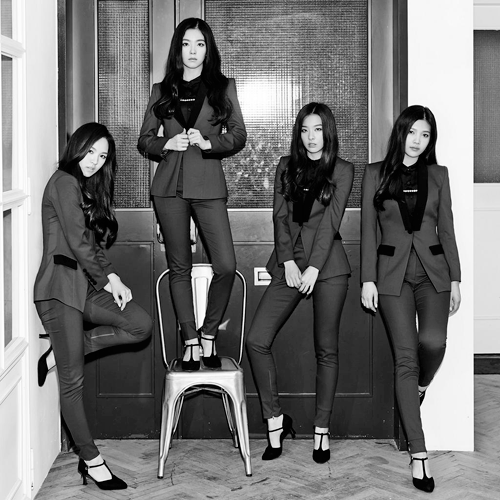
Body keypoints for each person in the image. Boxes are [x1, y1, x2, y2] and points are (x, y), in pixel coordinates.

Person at [34, 122, 153, 491]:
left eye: (102, 157)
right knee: (73, 384)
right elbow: (76, 241)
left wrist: (111, 276)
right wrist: (108, 280)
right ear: (77, 146)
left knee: (140, 324)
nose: (95, 161)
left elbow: (92, 245)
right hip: (58, 290)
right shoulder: (62, 182)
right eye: (91, 152)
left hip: (83, 289)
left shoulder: (83, 188)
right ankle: (92, 461)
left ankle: (63, 352)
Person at [360, 105, 461, 493]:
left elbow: (447, 229)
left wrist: (456, 278)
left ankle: (419, 386)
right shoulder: (375, 173)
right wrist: (368, 279)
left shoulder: (439, 175)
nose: (418, 140)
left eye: (425, 134)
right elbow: (369, 231)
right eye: (413, 132)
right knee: (405, 357)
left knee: (433, 342)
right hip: (392, 277)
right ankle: (419, 455)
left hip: (433, 273)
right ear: (401, 133)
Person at [246, 103, 354, 463]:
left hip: (328, 266)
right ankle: (275, 421)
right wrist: (289, 261)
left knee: (327, 350)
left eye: (318, 129)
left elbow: (331, 223)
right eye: (305, 130)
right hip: (289, 264)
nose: (311, 137)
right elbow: (279, 217)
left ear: (328, 132)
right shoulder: (285, 166)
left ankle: (322, 431)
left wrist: (314, 268)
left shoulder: (343, 170)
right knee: (256, 339)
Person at [138, 18, 246, 371]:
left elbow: (239, 135)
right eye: (186, 44)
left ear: (208, 49)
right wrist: (166, 143)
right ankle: (190, 341)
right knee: (179, 268)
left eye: (200, 44)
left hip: (209, 186)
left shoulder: (223, 87)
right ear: (178, 49)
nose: (193, 51)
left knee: (226, 265)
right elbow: (144, 140)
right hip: (168, 188)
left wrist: (209, 142)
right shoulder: (161, 89)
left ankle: (209, 333)